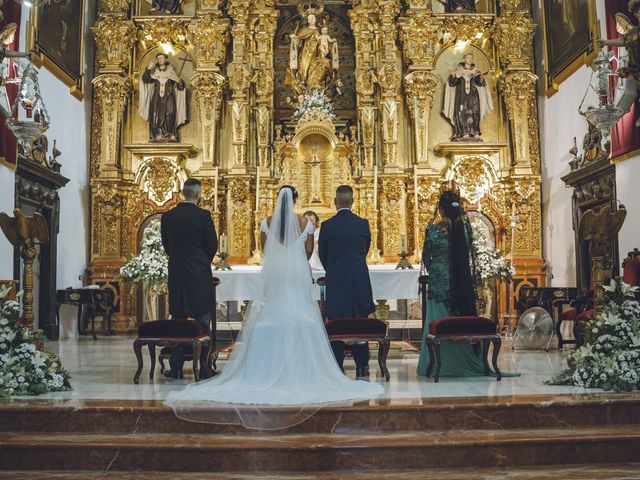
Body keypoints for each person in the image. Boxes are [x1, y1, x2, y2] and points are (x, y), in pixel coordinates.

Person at [165, 186, 383, 430]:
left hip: (275, 272)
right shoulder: (305, 222)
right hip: (297, 272)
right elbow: (310, 252)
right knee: (301, 311)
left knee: (272, 311)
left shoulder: (266, 222)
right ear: (296, 200)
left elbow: (266, 251)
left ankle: (260, 371)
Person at [416, 190, 487, 377]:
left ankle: (435, 364)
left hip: (439, 280)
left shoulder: (432, 229)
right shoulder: (464, 229)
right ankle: (463, 361)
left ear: (440, 210)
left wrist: (437, 269)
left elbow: (425, 256)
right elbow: (467, 252)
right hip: (460, 281)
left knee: (437, 323)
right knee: (457, 320)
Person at [161, 178, 218, 379]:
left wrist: (179, 259)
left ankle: (175, 368)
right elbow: (212, 244)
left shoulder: (168, 216)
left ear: (183, 193)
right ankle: (204, 367)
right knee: (203, 319)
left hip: (176, 271)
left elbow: (166, 246)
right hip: (199, 273)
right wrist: (202, 261)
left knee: (178, 320)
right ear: (197, 195)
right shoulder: (203, 216)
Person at [319, 185, 375, 379]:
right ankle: (361, 366)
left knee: (336, 321)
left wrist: (335, 269)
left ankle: (337, 366)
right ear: (352, 202)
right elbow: (365, 248)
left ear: (335, 202)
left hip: (336, 279)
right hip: (359, 277)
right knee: (360, 320)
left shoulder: (327, 226)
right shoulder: (362, 224)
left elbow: (323, 254)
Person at [443, 53, 493, 141]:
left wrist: (481, 78)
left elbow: (480, 83)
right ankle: (463, 132)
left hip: (473, 96)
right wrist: (453, 76)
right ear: (464, 59)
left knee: (475, 112)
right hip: (461, 96)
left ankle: (475, 131)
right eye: (468, 57)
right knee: (462, 112)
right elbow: (452, 83)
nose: (469, 59)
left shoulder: (476, 71)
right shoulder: (458, 70)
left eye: (471, 57)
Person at [139, 53, 187, 143]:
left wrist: (178, 80)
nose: (160, 60)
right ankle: (157, 134)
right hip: (157, 98)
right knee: (155, 114)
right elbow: (146, 79)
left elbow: (181, 86)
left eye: (162, 58)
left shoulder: (171, 71)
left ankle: (169, 133)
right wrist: (148, 68)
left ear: (165, 59)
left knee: (170, 113)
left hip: (169, 97)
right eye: (158, 58)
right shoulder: (154, 72)